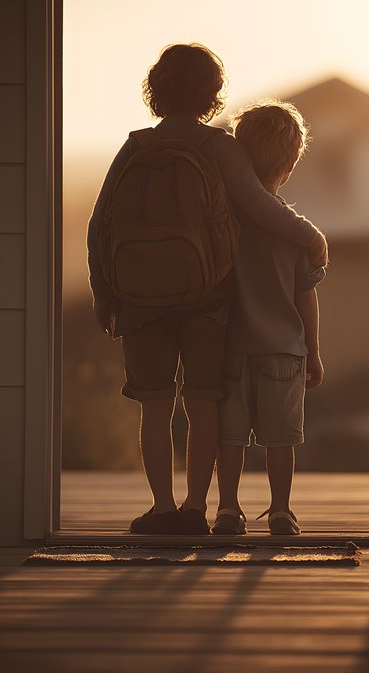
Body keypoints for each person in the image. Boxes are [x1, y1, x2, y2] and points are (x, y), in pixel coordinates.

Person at [87, 44, 327, 535]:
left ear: (156, 89)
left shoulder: (135, 146)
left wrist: (103, 293)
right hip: (204, 298)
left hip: (138, 296)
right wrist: (309, 234)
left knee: (154, 404)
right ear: (213, 94)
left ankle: (161, 508)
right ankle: (198, 507)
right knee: (202, 402)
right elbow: (259, 205)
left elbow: (99, 225)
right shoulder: (219, 147)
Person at [212, 100, 325, 537]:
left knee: (230, 438)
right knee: (281, 440)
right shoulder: (294, 231)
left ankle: (227, 509)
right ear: (291, 163)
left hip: (232, 346)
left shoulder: (225, 223)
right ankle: (281, 511)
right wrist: (314, 352)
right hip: (284, 348)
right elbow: (305, 297)